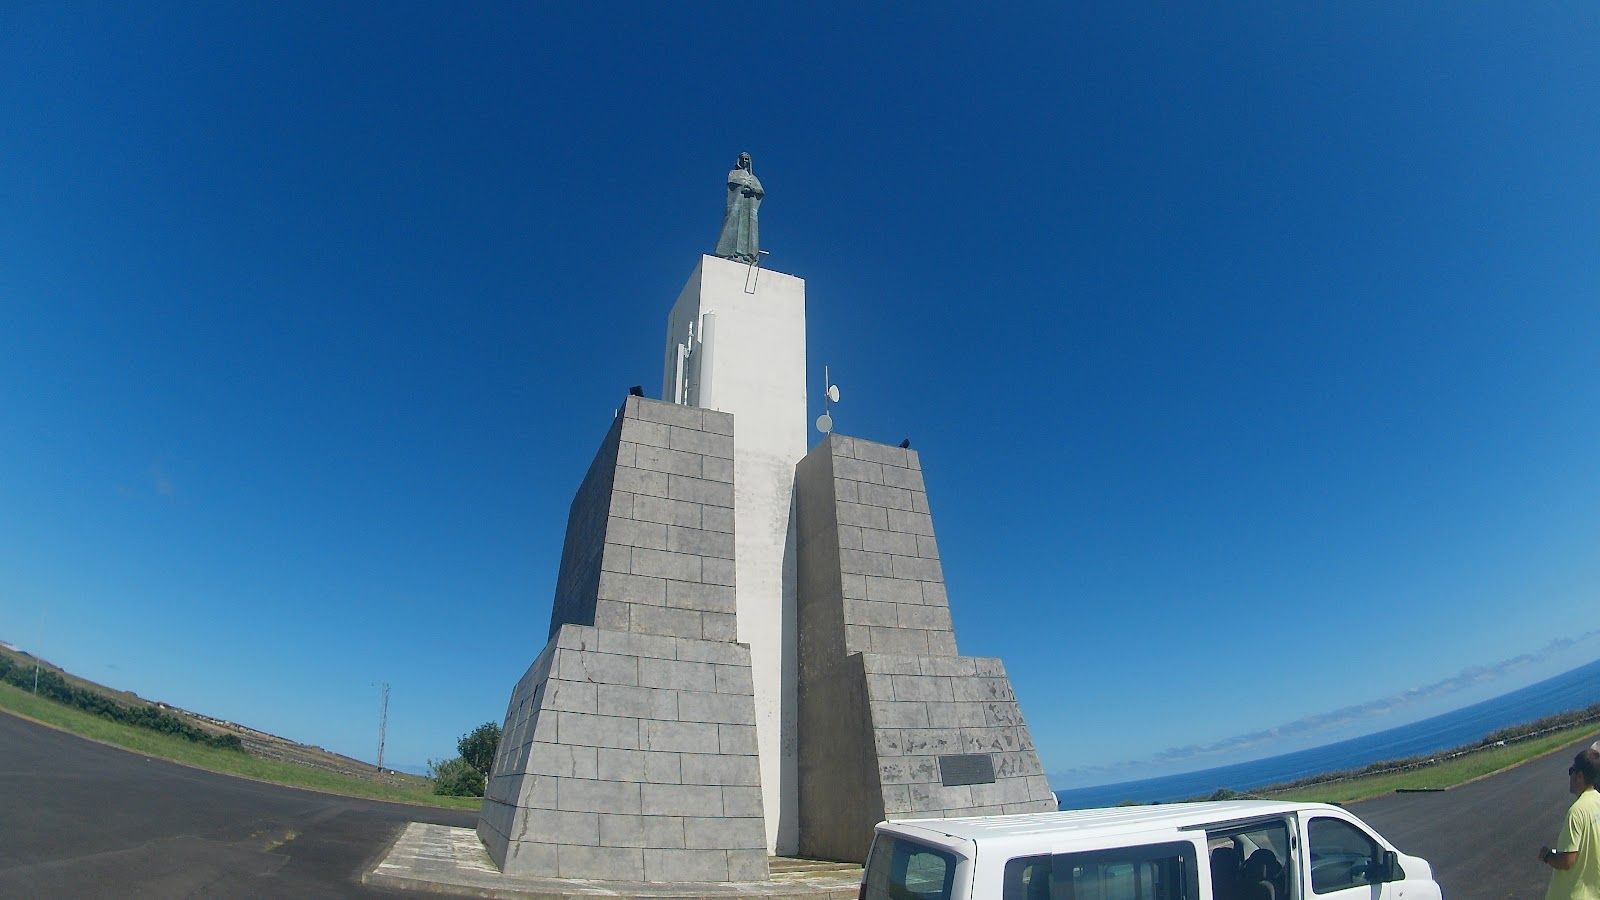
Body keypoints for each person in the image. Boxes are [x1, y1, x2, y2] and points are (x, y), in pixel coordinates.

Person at [1539, 747, 1600, 900]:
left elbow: (1567, 861)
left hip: (1574, 894)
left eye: (1571, 770)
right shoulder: (1598, 800)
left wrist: (1547, 855)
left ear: (1579, 776)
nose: (1570, 775)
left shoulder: (1576, 812)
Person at [713, 152, 763, 263]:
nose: (744, 161)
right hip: (738, 203)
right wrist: (742, 187)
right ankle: (729, 252)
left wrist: (752, 189)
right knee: (733, 223)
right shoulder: (734, 173)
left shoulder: (753, 178)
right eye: (743, 159)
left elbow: (760, 192)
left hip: (748, 206)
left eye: (746, 159)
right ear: (739, 161)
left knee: (749, 229)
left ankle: (748, 255)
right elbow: (732, 185)